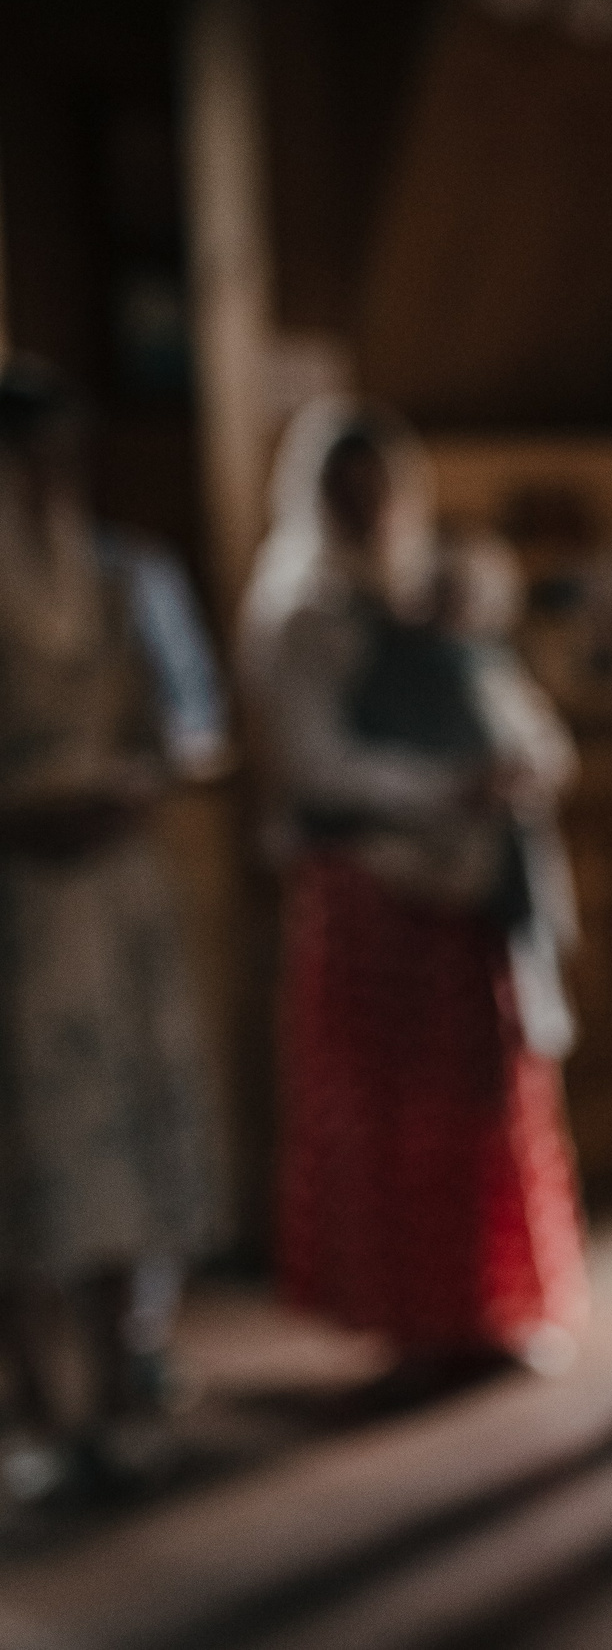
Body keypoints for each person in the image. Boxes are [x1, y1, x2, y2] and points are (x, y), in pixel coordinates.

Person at [244, 400, 587, 1385]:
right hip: (374, 890)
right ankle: (407, 1314)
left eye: (380, 489)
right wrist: (442, 788)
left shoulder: (430, 591)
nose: (367, 509)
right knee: (392, 1115)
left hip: (471, 889)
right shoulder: (298, 607)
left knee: (484, 1105)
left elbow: (516, 710)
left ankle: (491, 1301)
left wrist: (517, 770)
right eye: (346, 491)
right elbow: (311, 762)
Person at [0, 360, 227, 1497]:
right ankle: (37, 1400)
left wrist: (140, 783)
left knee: (123, 1125)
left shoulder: (123, 573)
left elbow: (190, 717)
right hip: (19, 894)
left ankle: (125, 1360)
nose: (47, 482)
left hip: (112, 881)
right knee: (32, 1139)